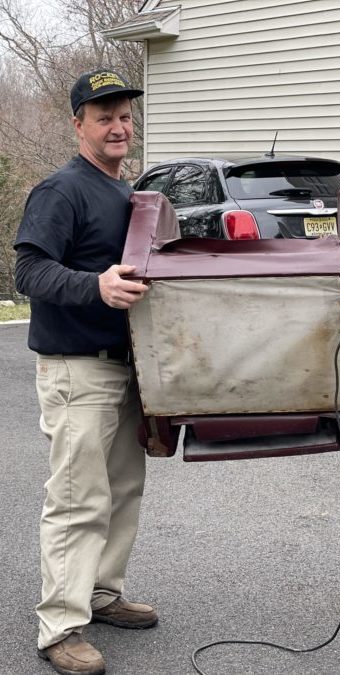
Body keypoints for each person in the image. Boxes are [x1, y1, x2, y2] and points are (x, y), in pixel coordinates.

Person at [15, 68, 156, 675]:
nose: (119, 126)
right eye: (104, 118)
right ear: (79, 125)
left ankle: (101, 592)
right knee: (76, 499)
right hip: (77, 370)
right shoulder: (61, 190)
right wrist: (93, 285)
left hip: (128, 368)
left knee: (122, 489)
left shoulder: (127, 193)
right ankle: (60, 625)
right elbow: (27, 273)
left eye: (125, 116)